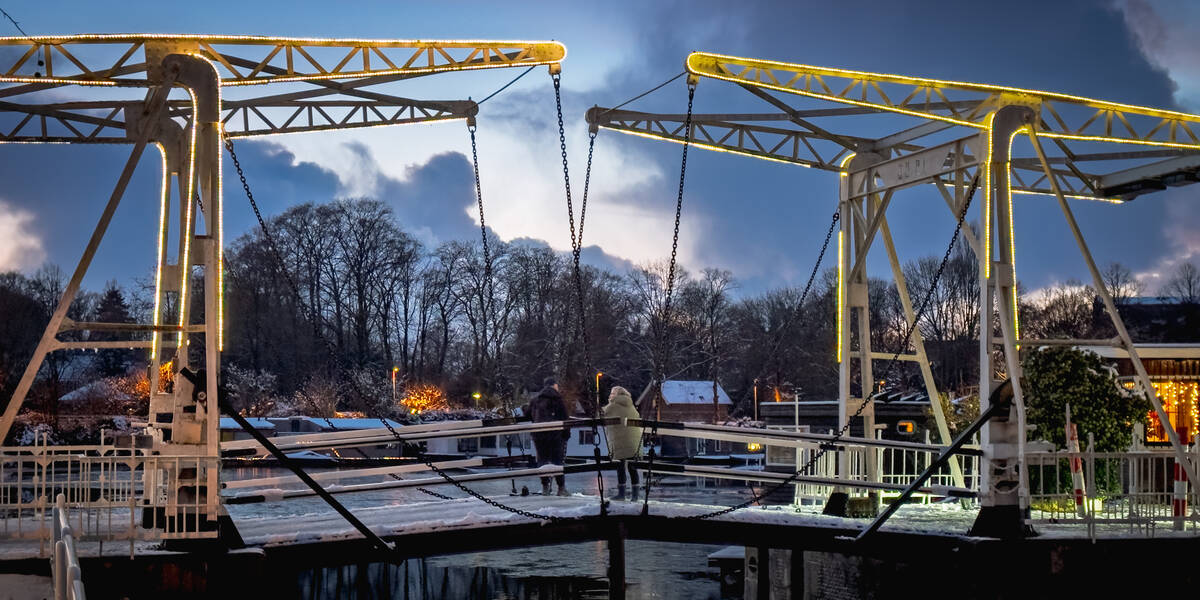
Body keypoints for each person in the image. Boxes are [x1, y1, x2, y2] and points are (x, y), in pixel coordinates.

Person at [602, 386, 643, 501]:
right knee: (632, 467)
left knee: (620, 466)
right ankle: (635, 496)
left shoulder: (613, 405)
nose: (610, 395)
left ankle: (621, 494)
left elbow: (600, 415)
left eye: (612, 393)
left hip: (620, 440)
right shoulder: (631, 406)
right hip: (634, 440)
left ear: (618, 394)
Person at [529, 377, 569, 496]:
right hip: (555, 434)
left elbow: (528, 414)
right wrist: (566, 434)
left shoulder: (535, 399)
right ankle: (561, 488)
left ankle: (545, 487)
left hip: (539, 434)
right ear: (554, 386)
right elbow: (564, 418)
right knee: (557, 461)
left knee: (542, 460)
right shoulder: (558, 399)